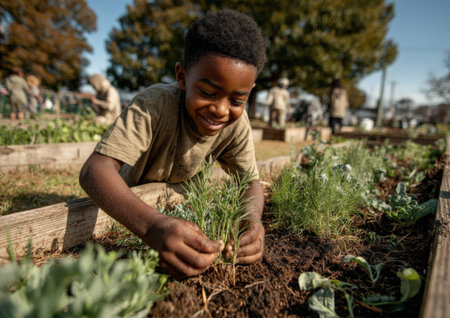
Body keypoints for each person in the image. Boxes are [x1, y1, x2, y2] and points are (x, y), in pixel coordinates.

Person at [79, 9, 267, 279]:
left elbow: (250, 182)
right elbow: (95, 171)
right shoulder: (154, 105)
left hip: (174, 206)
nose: (221, 110)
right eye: (207, 92)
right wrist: (152, 227)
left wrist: (253, 221)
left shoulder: (236, 124)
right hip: (127, 206)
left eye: (237, 100)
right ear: (182, 77)